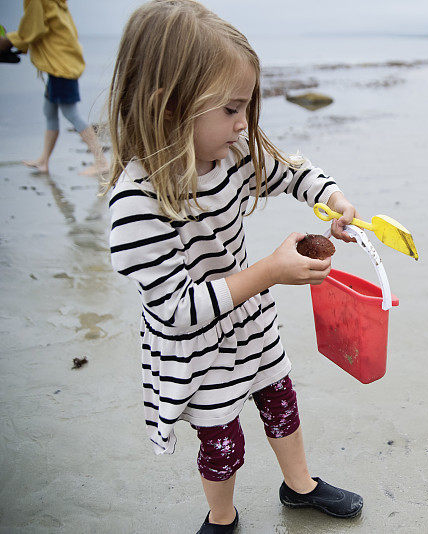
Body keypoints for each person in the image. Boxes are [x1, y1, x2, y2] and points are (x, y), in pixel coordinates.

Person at [105, 1, 364, 531]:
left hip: (250, 317)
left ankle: (299, 486)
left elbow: (289, 170)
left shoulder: (234, 150)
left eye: (246, 107)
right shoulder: (137, 202)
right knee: (222, 438)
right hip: (198, 343)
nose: (243, 123)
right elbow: (176, 310)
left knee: (280, 399)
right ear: (170, 106)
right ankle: (222, 517)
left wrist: (334, 198)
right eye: (230, 108)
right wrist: (270, 271)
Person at [0, 0, 108, 176]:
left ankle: (101, 161)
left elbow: (33, 29)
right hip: (61, 63)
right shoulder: (56, 2)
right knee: (49, 109)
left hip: (60, 66)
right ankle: (44, 161)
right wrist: (23, 44)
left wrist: (10, 41)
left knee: (70, 113)